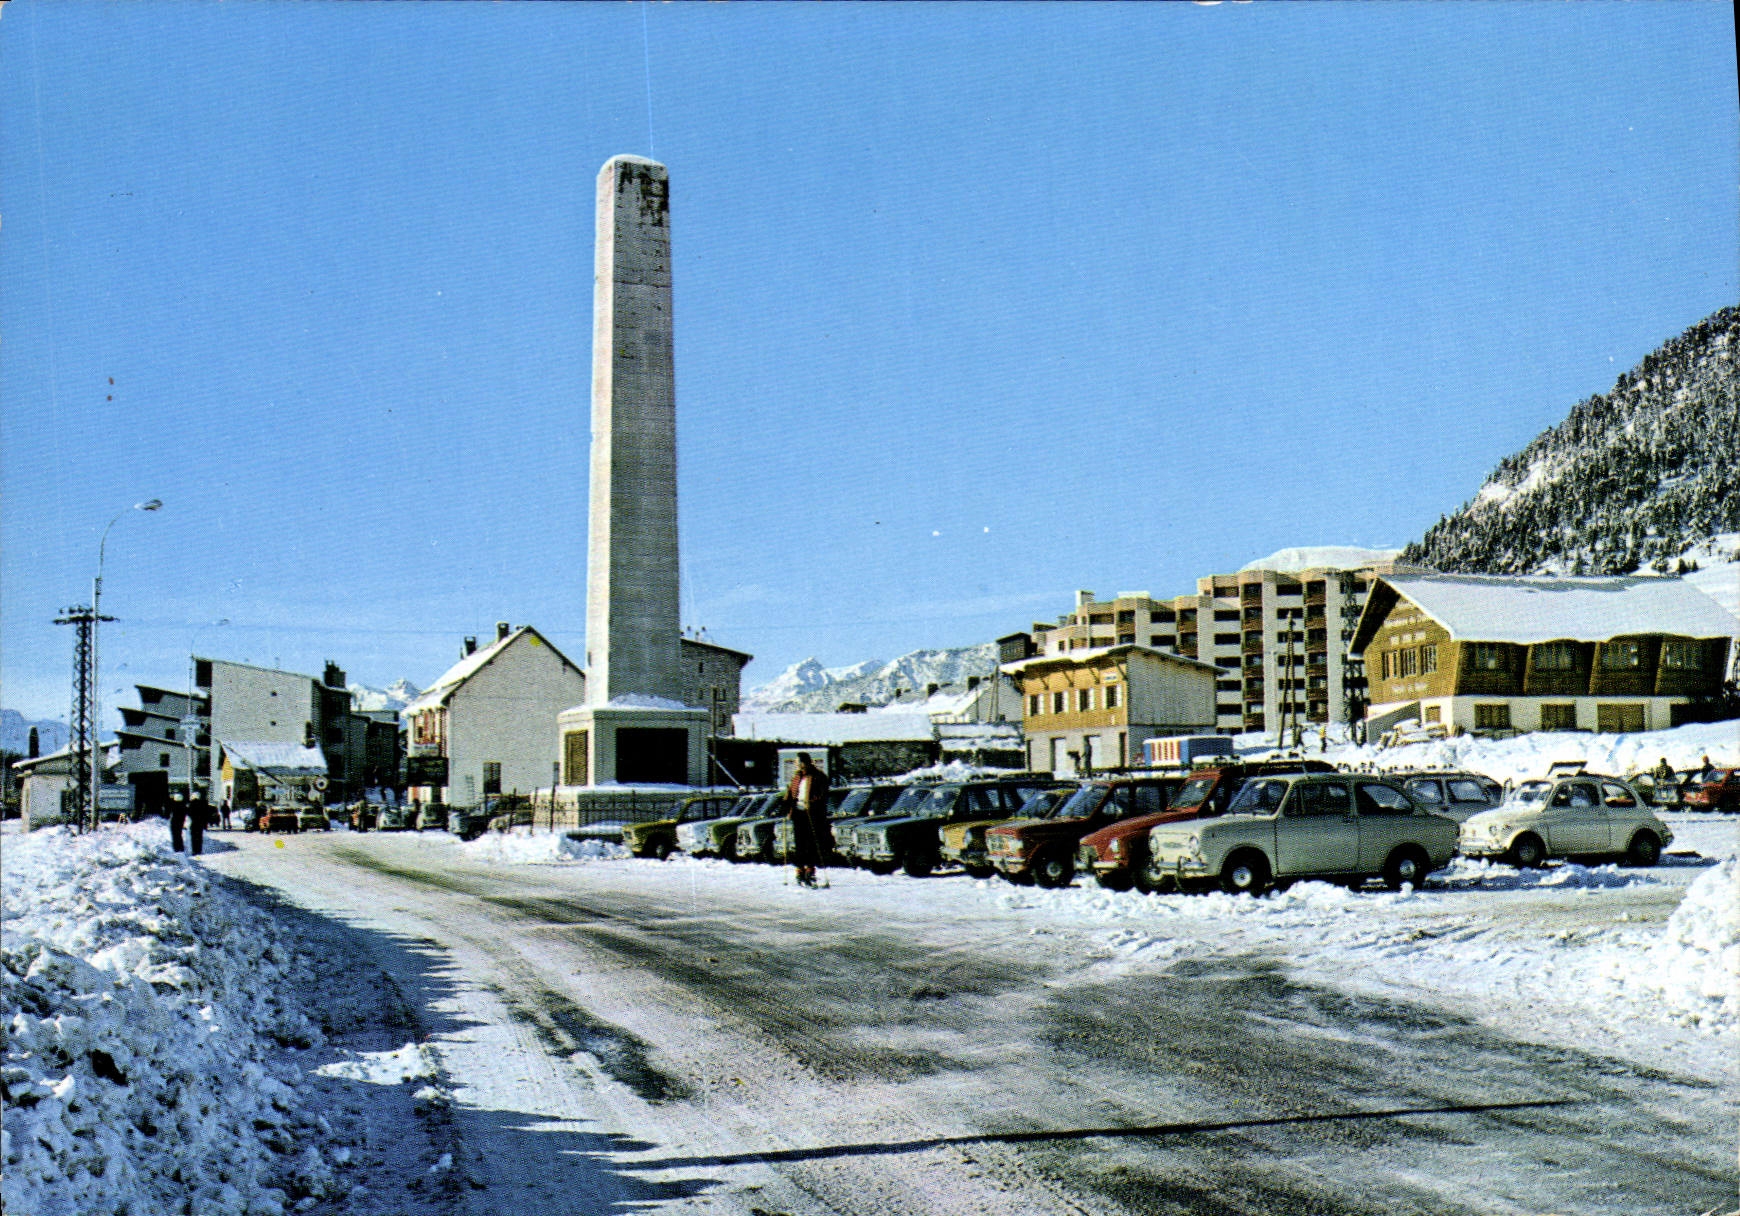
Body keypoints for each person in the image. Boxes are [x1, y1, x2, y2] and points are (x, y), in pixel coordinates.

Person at [785, 753, 832, 889]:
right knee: (799, 843)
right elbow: (790, 792)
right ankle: (799, 870)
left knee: (811, 843)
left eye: (797, 762)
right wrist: (786, 806)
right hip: (798, 812)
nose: (796, 764)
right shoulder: (797, 776)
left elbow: (823, 794)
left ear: (804, 762)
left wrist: (812, 803)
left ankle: (810, 871)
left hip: (812, 813)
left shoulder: (818, 776)